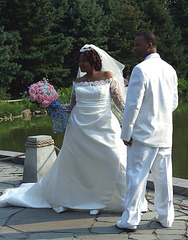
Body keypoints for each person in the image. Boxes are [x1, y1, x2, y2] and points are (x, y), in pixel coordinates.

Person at [0, 44, 128, 215]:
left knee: (112, 158)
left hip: (104, 126)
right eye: (80, 61)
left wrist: (134, 118)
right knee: (80, 165)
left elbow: (120, 104)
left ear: (94, 61)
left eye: (84, 61)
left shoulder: (108, 77)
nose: (81, 65)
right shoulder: (77, 82)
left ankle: (104, 200)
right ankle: (83, 200)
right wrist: (51, 104)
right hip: (79, 128)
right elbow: (72, 106)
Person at [116, 31, 178, 231]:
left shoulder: (140, 70)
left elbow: (132, 106)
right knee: (164, 178)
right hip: (165, 133)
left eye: (137, 45)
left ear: (150, 45)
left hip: (143, 134)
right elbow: (174, 103)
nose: (134, 48)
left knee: (136, 177)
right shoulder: (170, 70)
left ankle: (130, 220)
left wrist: (126, 133)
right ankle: (166, 217)